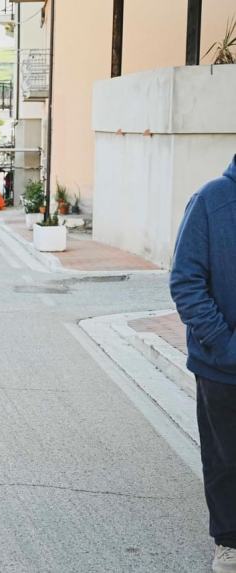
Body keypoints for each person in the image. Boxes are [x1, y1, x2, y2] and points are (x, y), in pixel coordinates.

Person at [170, 154, 236, 573]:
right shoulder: (212, 200)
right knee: (225, 457)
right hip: (222, 365)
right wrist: (226, 347)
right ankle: (229, 540)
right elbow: (185, 281)